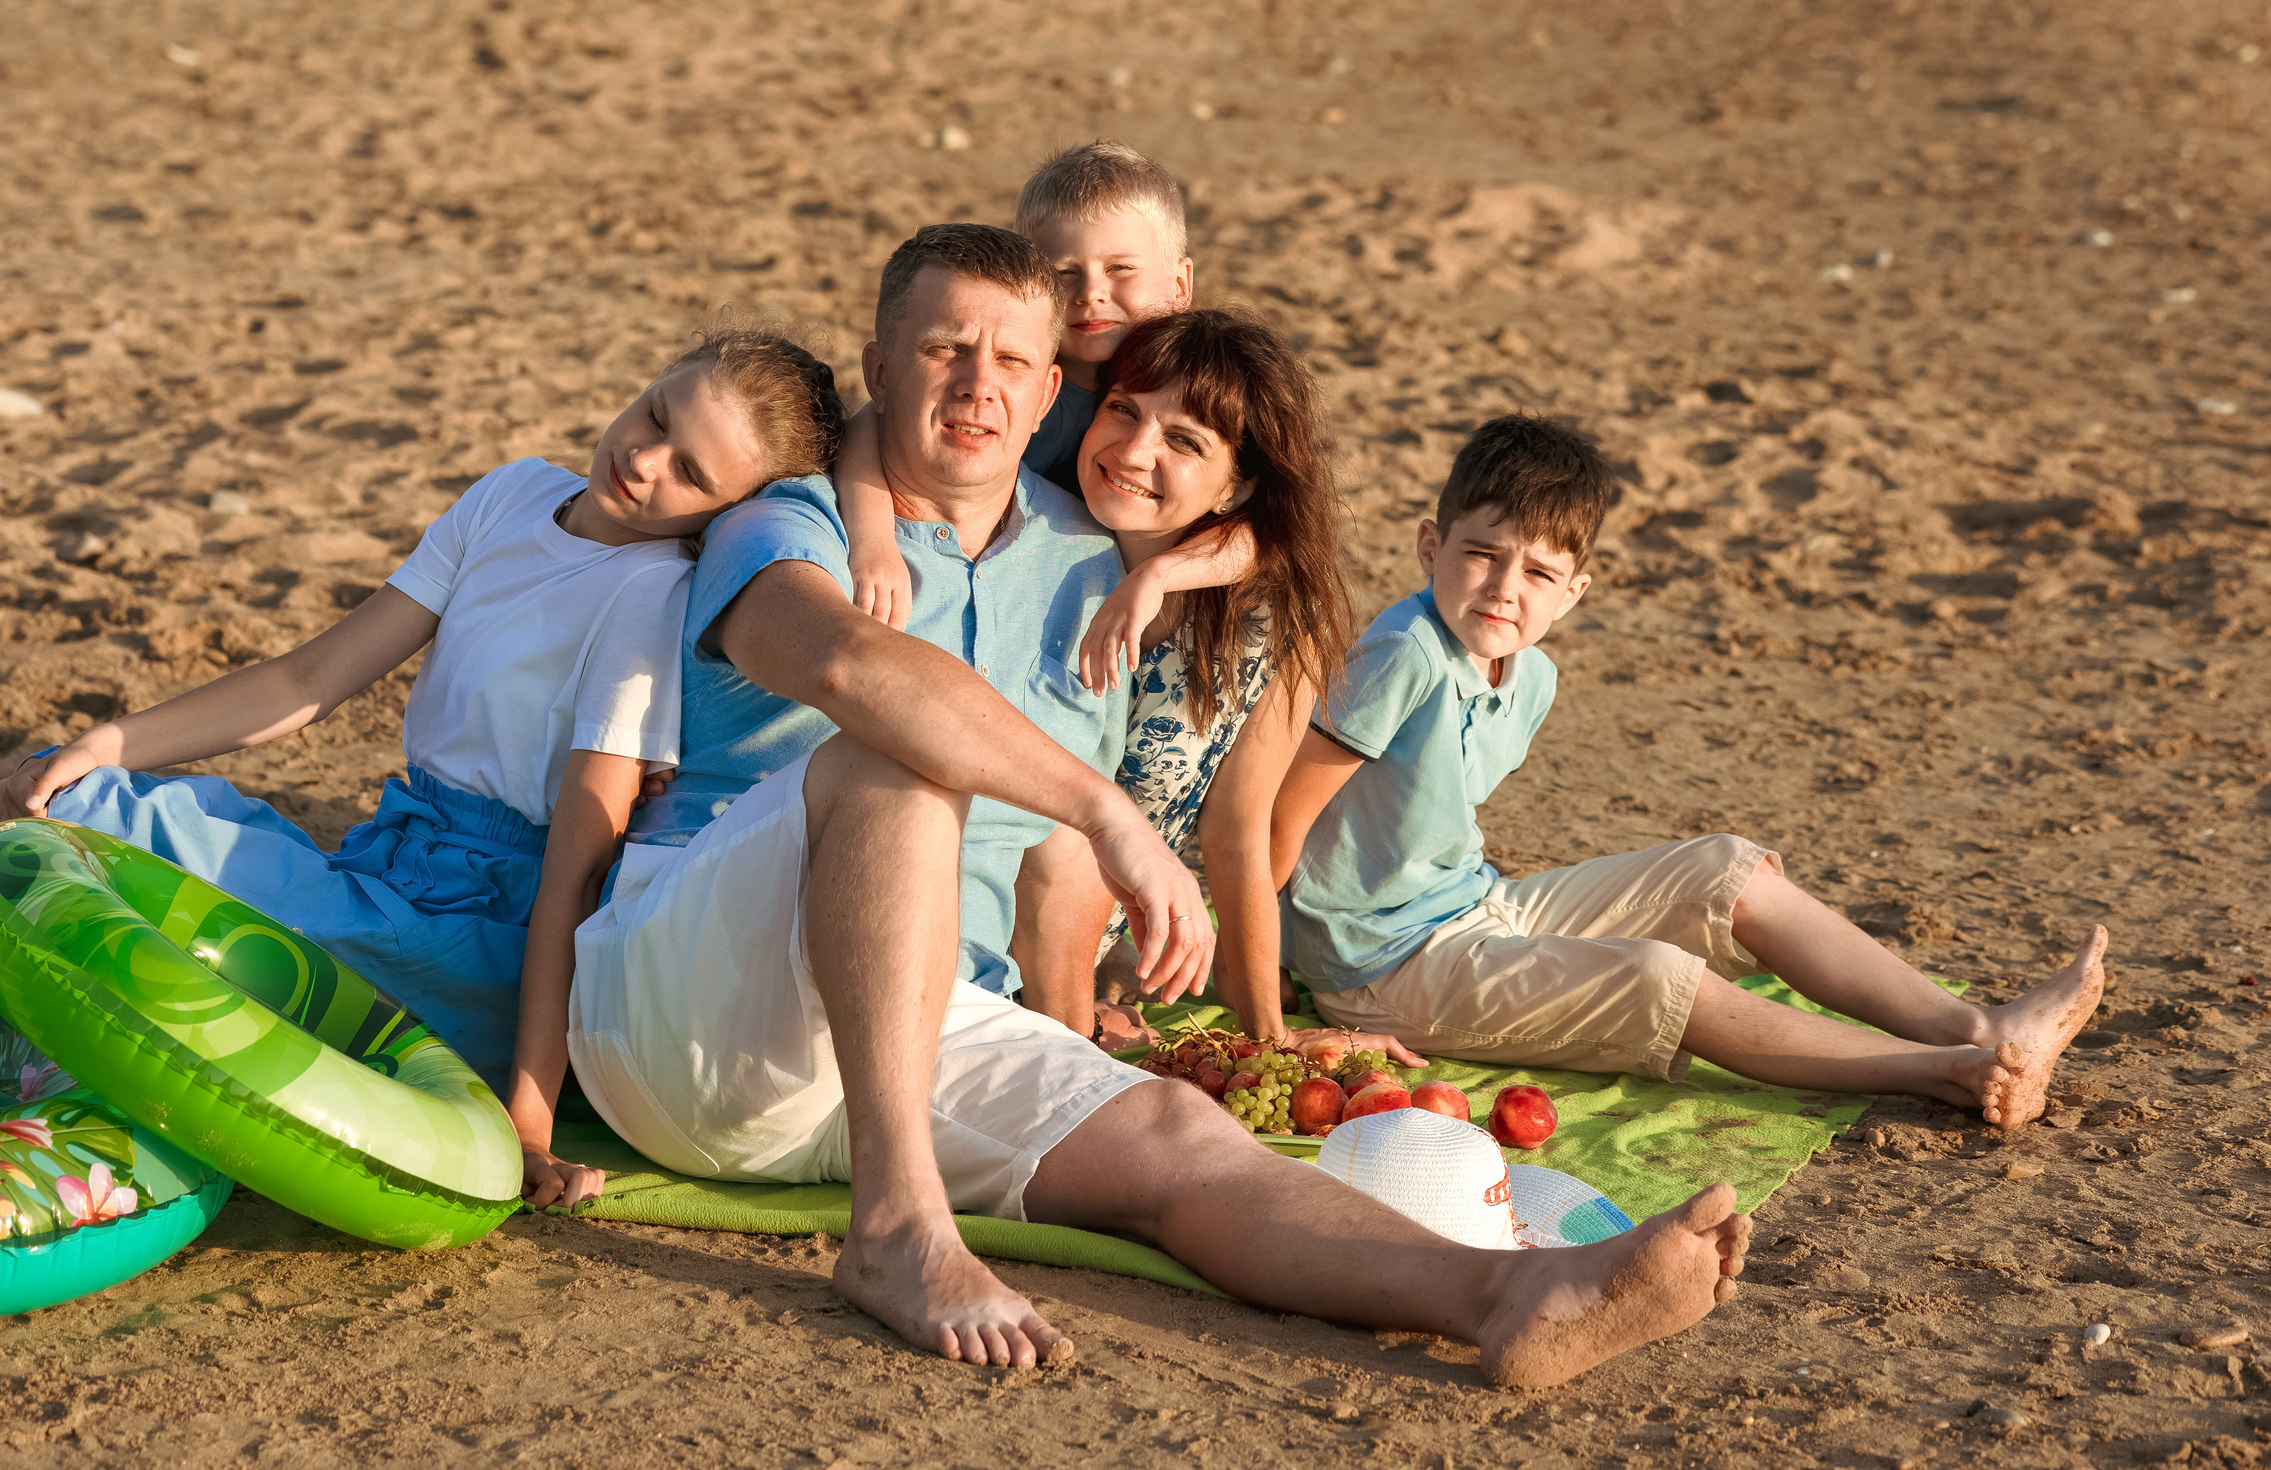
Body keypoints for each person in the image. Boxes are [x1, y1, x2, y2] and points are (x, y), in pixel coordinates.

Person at [566, 226, 1753, 1384]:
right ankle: (894, 1232)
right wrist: (1109, 810)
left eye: (1013, 363)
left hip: (930, 1020)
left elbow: (1056, 856)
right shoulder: (790, 520)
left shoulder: (1088, 567)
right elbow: (849, 671)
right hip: (691, 1017)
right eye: (941, 352)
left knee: (1182, 1145)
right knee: (902, 761)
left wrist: (1091, 1016)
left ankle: (1507, 1297)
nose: (978, 384)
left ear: (1048, 398)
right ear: (878, 372)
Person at [0, 329, 848, 1208]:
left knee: (74, 837)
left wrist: (526, 1111)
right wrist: (111, 738)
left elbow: (576, 863)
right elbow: (315, 674)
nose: (645, 458)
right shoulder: (513, 494)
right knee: (49, 786)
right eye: (657, 412)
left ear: (727, 510)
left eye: (689, 470)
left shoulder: (649, 597)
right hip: (380, 868)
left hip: (466, 941)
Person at [1266, 413, 2108, 1129]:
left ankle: (1981, 1025)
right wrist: (1267, 986)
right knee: (1657, 976)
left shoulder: (1531, 675)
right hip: (1380, 969)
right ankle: (1949, 1070)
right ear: (1430, 543)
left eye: (1539, 572)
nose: (1503, 588)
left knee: (1723, 867)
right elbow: (1280, 816)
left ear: (1575, 591)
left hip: (1475, 904)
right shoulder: (1403, 651)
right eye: (1481, 554)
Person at [1000, 308, 1402, 1063]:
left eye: (1183, 441)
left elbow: (1236, 833)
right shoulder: (1020, 536)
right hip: (984, 921)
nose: (1134, 448)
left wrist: (1268, 1039)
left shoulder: (1275, 621)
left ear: (1236, 486)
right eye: (1123, 410)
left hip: (1093, 952)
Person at [837, 141, 1253, 640]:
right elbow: (871, 426)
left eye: (1120, 269)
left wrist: (1161, 574)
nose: (1091, 292)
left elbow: (1274, 526)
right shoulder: (1013, 388)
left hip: (1162, 606)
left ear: (1181, 284)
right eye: (1064, 273)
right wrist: (873, 543)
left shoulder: (1205, 381)